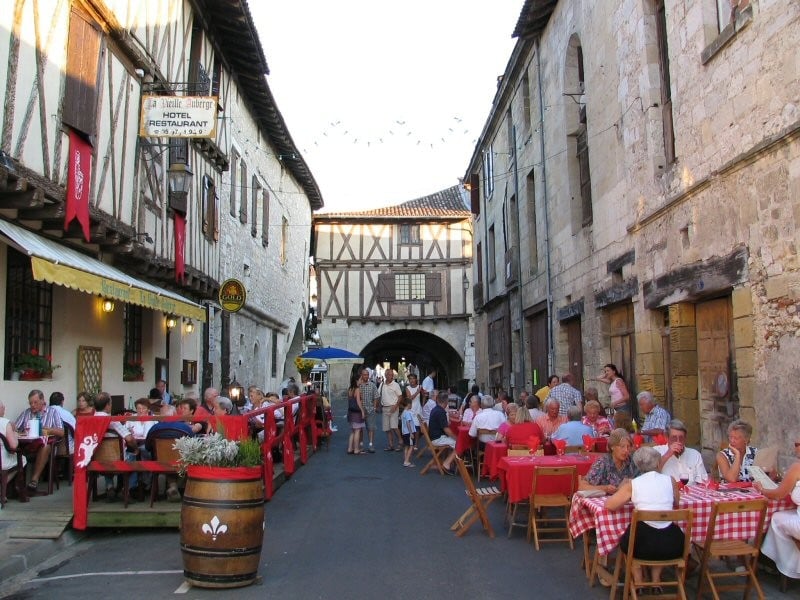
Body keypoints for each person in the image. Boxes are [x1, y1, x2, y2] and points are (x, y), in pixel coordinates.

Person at [605, 446, 683, 591]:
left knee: (631, 538)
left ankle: (639, 580)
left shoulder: (633, 484)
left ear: (638, 465)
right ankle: (655, 581)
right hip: (673, 545)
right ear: (659, 464)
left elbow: (610, 505)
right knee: (660, 529)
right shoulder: (670, 481)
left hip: (642, 546)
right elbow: (676, 504)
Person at [756, 438, 800, 581]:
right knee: (783, 516)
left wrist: (762, 490)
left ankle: (785, 566)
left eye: (797, 444)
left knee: (775, 518)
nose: (795, 448)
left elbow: (778, 494)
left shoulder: (797, 467)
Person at [14, 389, 64, 493]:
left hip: (47, 447)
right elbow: (15, 429)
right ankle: (16, 485)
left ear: (42, 401)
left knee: (45, 446)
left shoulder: (52, 412)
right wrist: (20, 431)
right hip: (27, 446)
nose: (32, 405)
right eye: (31, 403)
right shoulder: (26, 413)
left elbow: (62, 432)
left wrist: (47, 429)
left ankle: (34, 480)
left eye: (35, 402)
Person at [93, 392, 140, 501]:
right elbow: (129, 439)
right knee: (133, 457)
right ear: (107, 405)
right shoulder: (112, 421)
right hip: (117, 459)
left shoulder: (90, 420)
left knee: (106, 456)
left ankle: (110, 487)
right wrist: (136, 448)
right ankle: (126, 489)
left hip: (96, 458)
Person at [146, 404, 195, 501]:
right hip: (181, 462)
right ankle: (177, 488)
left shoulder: (154, 428)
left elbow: (147, 447)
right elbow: (194, 445)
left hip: (161, 462)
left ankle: (171, 487)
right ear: (174, 414)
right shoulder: (184, 428)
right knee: (178, 461)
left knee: (165, 461)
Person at [579, 428, 638, 494]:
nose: (626, 450)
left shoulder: (630, 461)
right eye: (622, 446)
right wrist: (604, 488)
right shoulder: (603, 463)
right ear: (612, 446)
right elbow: (582, 487)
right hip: (603, 502)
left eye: (628, 446)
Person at [655, 419, 708, 484]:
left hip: (691, 492)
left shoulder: (695, 454)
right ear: (666, 437)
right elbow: (650, 475)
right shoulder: (656, 452)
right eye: (674, 438)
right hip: (668, 493)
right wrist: (668, 454)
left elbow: (702, 481)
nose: (678, 441)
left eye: (681, 438)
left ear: (685, 438)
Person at [428, 391, 457, 475]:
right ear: (446, 402)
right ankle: (447, 464)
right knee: (459, 444)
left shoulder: (436, 409)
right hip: (437, 438)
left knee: (455, 442)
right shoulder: (441, 412)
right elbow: (446, 430)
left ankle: (447, 462)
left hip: (434, 437)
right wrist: (456, 438)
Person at [379, 369, 403, 451]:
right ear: (386, 375)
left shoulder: (395, 385)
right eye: (390, 375)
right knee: (387, 428)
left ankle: (400, 442)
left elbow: (400, 396)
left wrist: (396, 406)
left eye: (392, 375)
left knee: (394, 426)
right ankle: (391, 445)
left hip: (393, 407)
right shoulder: (382, 384)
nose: (392, 376)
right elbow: (378, 395)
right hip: (385, 408)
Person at [357, 367, 380, 453]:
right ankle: (361, 445)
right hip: (360, 410)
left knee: (371, 428)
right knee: (360, 428)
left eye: (367, 374)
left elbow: (376, 397)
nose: (365, 376)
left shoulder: (372, 385)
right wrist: (358, 383)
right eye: (364, 375)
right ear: (361, 376)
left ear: (369, 375)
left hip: (370, 410)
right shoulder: (358, 385)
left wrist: (374, 407)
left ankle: (371, 445)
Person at [0, 400, 25, 473]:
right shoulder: (5, 422)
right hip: (3, 461)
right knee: (23, 459)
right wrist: (15, 434)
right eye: (2, 407)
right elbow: (13, 446)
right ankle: (5, 483)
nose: (4, 408)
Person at [346, 375, 366, 455]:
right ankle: (356, 449)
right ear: (357, 381)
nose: (361, 381)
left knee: (353, 431)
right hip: (356, 412)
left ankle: (350, 448)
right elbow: (358, 402)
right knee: (357, 430)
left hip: (350, 412)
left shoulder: (350, 389)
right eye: (360, 379)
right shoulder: (357, 389)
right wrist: (362, 411)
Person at [400, 397, 417, 467]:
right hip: (408, 432)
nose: (411, 405)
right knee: (411, 446)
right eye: (411, 404)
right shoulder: (407, 413)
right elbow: (408, 423)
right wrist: (411, 433)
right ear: (408, 404)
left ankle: (405, 459)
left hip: (404, 432)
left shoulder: (403, 412)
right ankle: (406, 461)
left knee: (406, 446)